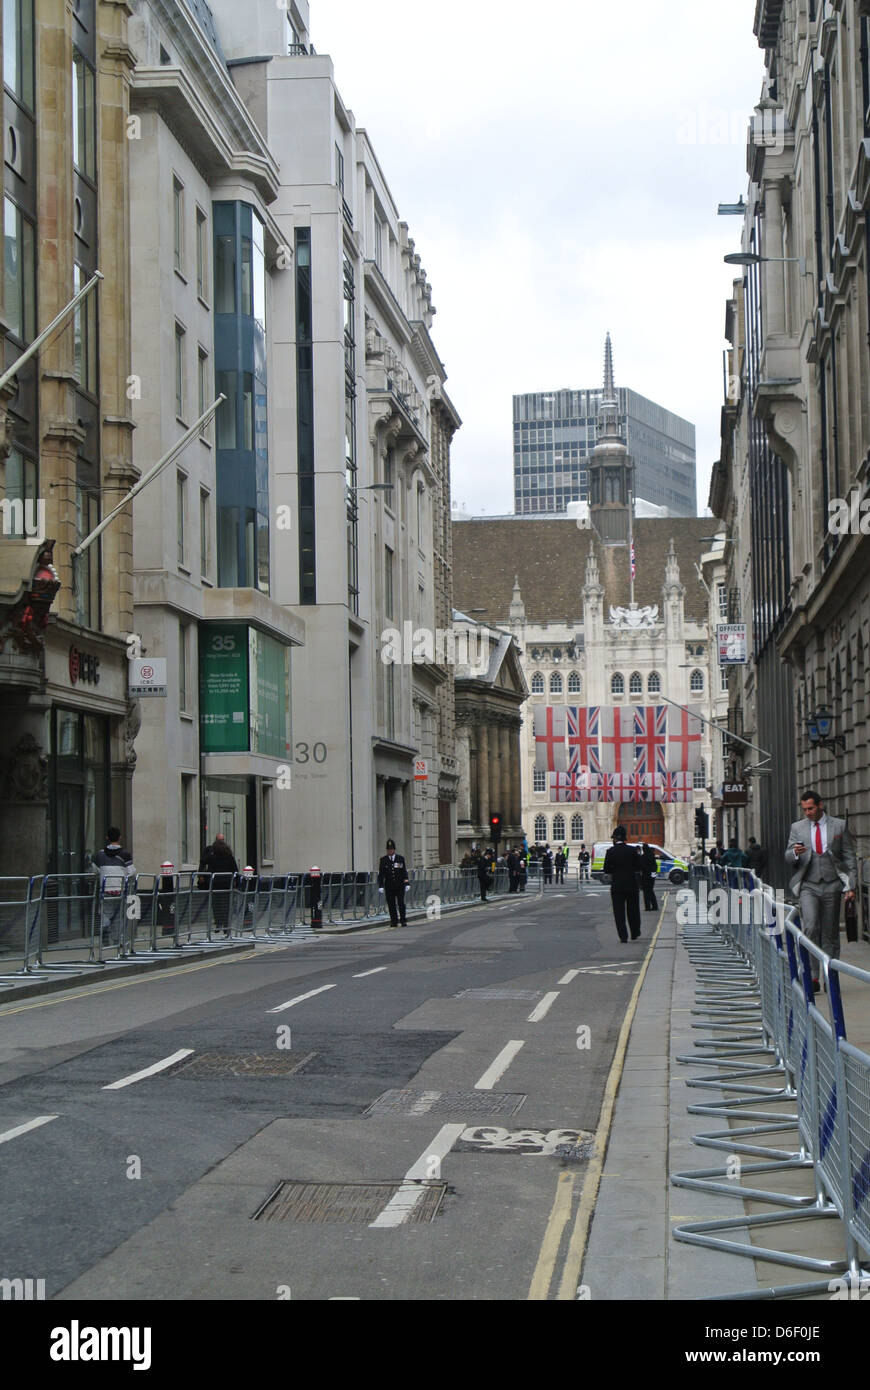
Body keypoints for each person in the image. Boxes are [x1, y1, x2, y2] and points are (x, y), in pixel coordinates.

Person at [786, 790, 857, 989]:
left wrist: (851, 886)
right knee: (810, 927)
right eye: (804, 809)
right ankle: (813, 976)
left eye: (810, 808)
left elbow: (849, 857)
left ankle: (830, 974)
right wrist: (795, 853)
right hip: (809, 884)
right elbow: (787, 856)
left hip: (833, 884)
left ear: (820, 805)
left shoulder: (839, 826)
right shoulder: (797, 828)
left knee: (830, 932)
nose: (807, 812)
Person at [92, 828, 135, 944]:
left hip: (105, 889)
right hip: (120, 889)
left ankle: (105, 933)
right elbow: (131, 871)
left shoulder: (100, 855)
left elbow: (94, 870)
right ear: (120, 837)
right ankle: (116, 939)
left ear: (107, 838)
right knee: (119, 915)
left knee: (105, 913)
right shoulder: (125, 855)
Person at [603, 827, 643, 944]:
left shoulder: (610, 852)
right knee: (633, 910)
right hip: (631, 884)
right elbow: (638, 866)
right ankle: (635, 932)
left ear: (615, 839)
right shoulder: (632, 850)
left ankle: (623, 936)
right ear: (625, 838)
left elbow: (606, 869)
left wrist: (614, 869)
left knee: (619, 913)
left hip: (617, 886)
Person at [198, 833, 239, 935]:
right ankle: (225, 925)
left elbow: (207, 868)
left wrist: (203, 878)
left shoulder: (212, 857)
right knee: (226, 905)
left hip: (215, 884)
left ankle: (220, 923)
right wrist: (236, 883)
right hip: (226, 884)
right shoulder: (229, 857)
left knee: (216, 905)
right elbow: (235, 870)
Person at [377, 839, 410, 927]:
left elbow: (404, 872)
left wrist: (406, 883)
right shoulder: (383, 860)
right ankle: (394, 921)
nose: (390, 851)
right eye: (388, 849)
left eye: (391, 849)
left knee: (400, 903)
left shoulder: (400, 859)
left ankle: (403, 920)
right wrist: (380, 885)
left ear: (394, 850)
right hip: (389, 886)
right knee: (391, 904)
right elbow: (381, 874)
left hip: (399, 886)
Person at [640, 842, 659, 911]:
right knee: (650, 891)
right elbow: (655, 866)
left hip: (645, 876)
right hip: (651, 875)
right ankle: (655, 906)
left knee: (646, 892)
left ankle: (647, 907)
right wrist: (653, 875)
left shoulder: (642, 857)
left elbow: (641, 867)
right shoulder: (651, 855)